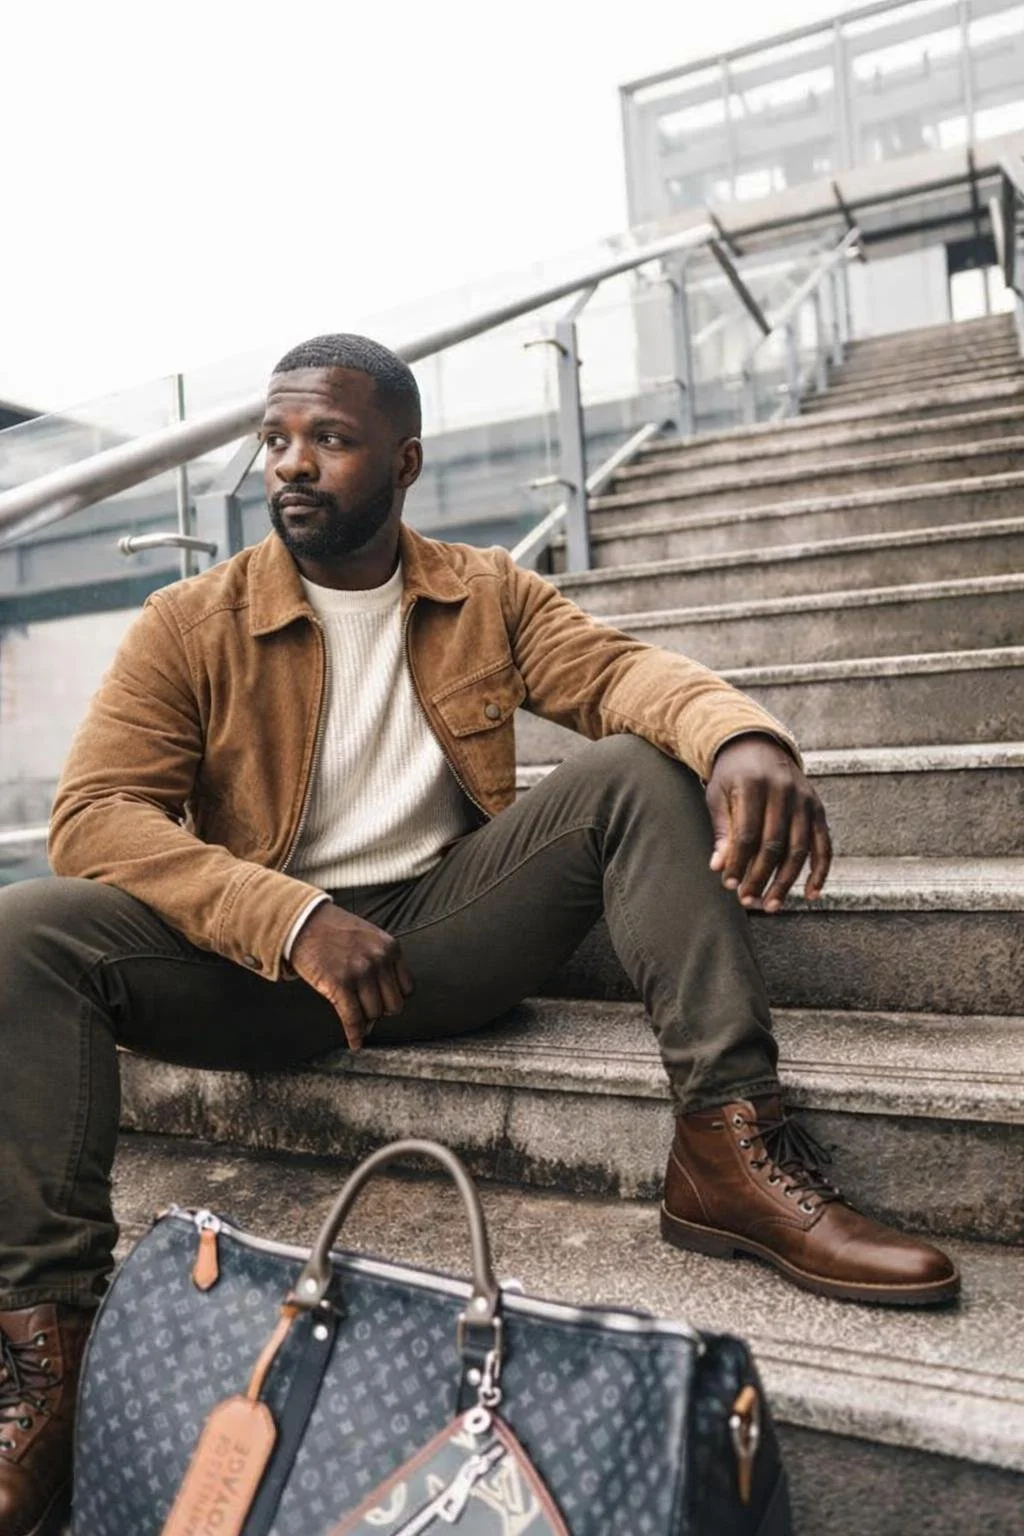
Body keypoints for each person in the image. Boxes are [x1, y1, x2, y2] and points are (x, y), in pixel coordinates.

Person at [0, 333, 958, 1535]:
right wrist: (287, 914)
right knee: (27, 927)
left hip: (435, 944)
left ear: (402, 461)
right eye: (277, 440)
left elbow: (619, 675)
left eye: (330, 441)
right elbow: (93, 815)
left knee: (632, 768)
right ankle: (50, 1340)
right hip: (253, 961)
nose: (292, 466)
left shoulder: (483, 593)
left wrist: (739, 737)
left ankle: (727, 1146)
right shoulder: (190, 621)